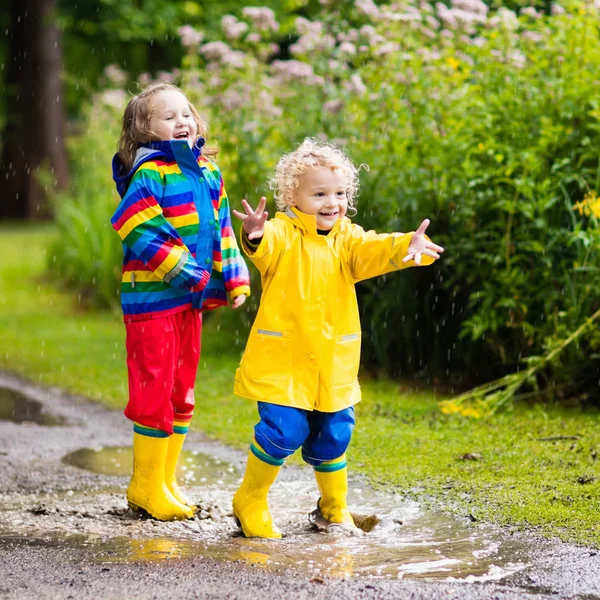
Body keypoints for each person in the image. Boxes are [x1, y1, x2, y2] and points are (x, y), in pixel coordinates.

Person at [231, 138, 444, 538]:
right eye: (320, 194)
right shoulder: (282, 233)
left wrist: (405, 246)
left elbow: (373, 248)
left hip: (332, 362)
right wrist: (255, 234)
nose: (333, 202)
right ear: (292, 197)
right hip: (285, 360)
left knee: (335, 432)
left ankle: (334, 508)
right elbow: (263, 247)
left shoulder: (348, 238)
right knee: (284, 430)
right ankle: (250, 499)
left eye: (340, 193)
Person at [111, 82, 250, 521]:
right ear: (145, 130)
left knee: (180, 388)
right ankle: (145, 484)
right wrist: (189, 273)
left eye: (185, 113)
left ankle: (164, 481)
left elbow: (223, 228)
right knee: (154, 384)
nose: (181, 122)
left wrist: (232, 275)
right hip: (152, 300)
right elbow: (134, 223)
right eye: (167, 117)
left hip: (188, 304)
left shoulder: (209, 173)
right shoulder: (150, 173)